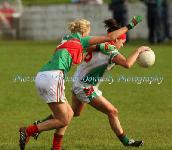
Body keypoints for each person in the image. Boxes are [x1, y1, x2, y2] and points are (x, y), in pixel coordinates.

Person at [19, 17, 143, 150]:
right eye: (122, 42)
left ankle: (53, 144)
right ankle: (29, 131)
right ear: (84, 32)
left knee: (70, 113)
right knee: (71, 118)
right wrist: (136, 40)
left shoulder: (67, 37)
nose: (122, 45)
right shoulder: (102, 46)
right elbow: (125, 61)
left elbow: (59, 51)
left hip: (46, 74)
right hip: (67, 81)